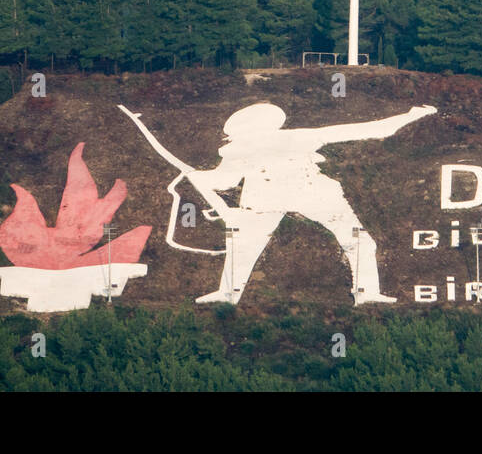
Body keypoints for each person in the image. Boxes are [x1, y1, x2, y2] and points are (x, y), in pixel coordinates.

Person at [122, 101, 436, 305]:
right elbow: (371, 129)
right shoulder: (284, 140)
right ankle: (365, 293)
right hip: (296, 193)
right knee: (358, 242)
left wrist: (202, 178)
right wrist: (410, 116)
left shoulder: (240, 149)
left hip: (289, 194)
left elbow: (223, 183)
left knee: (245, 249)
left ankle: (228, 295)